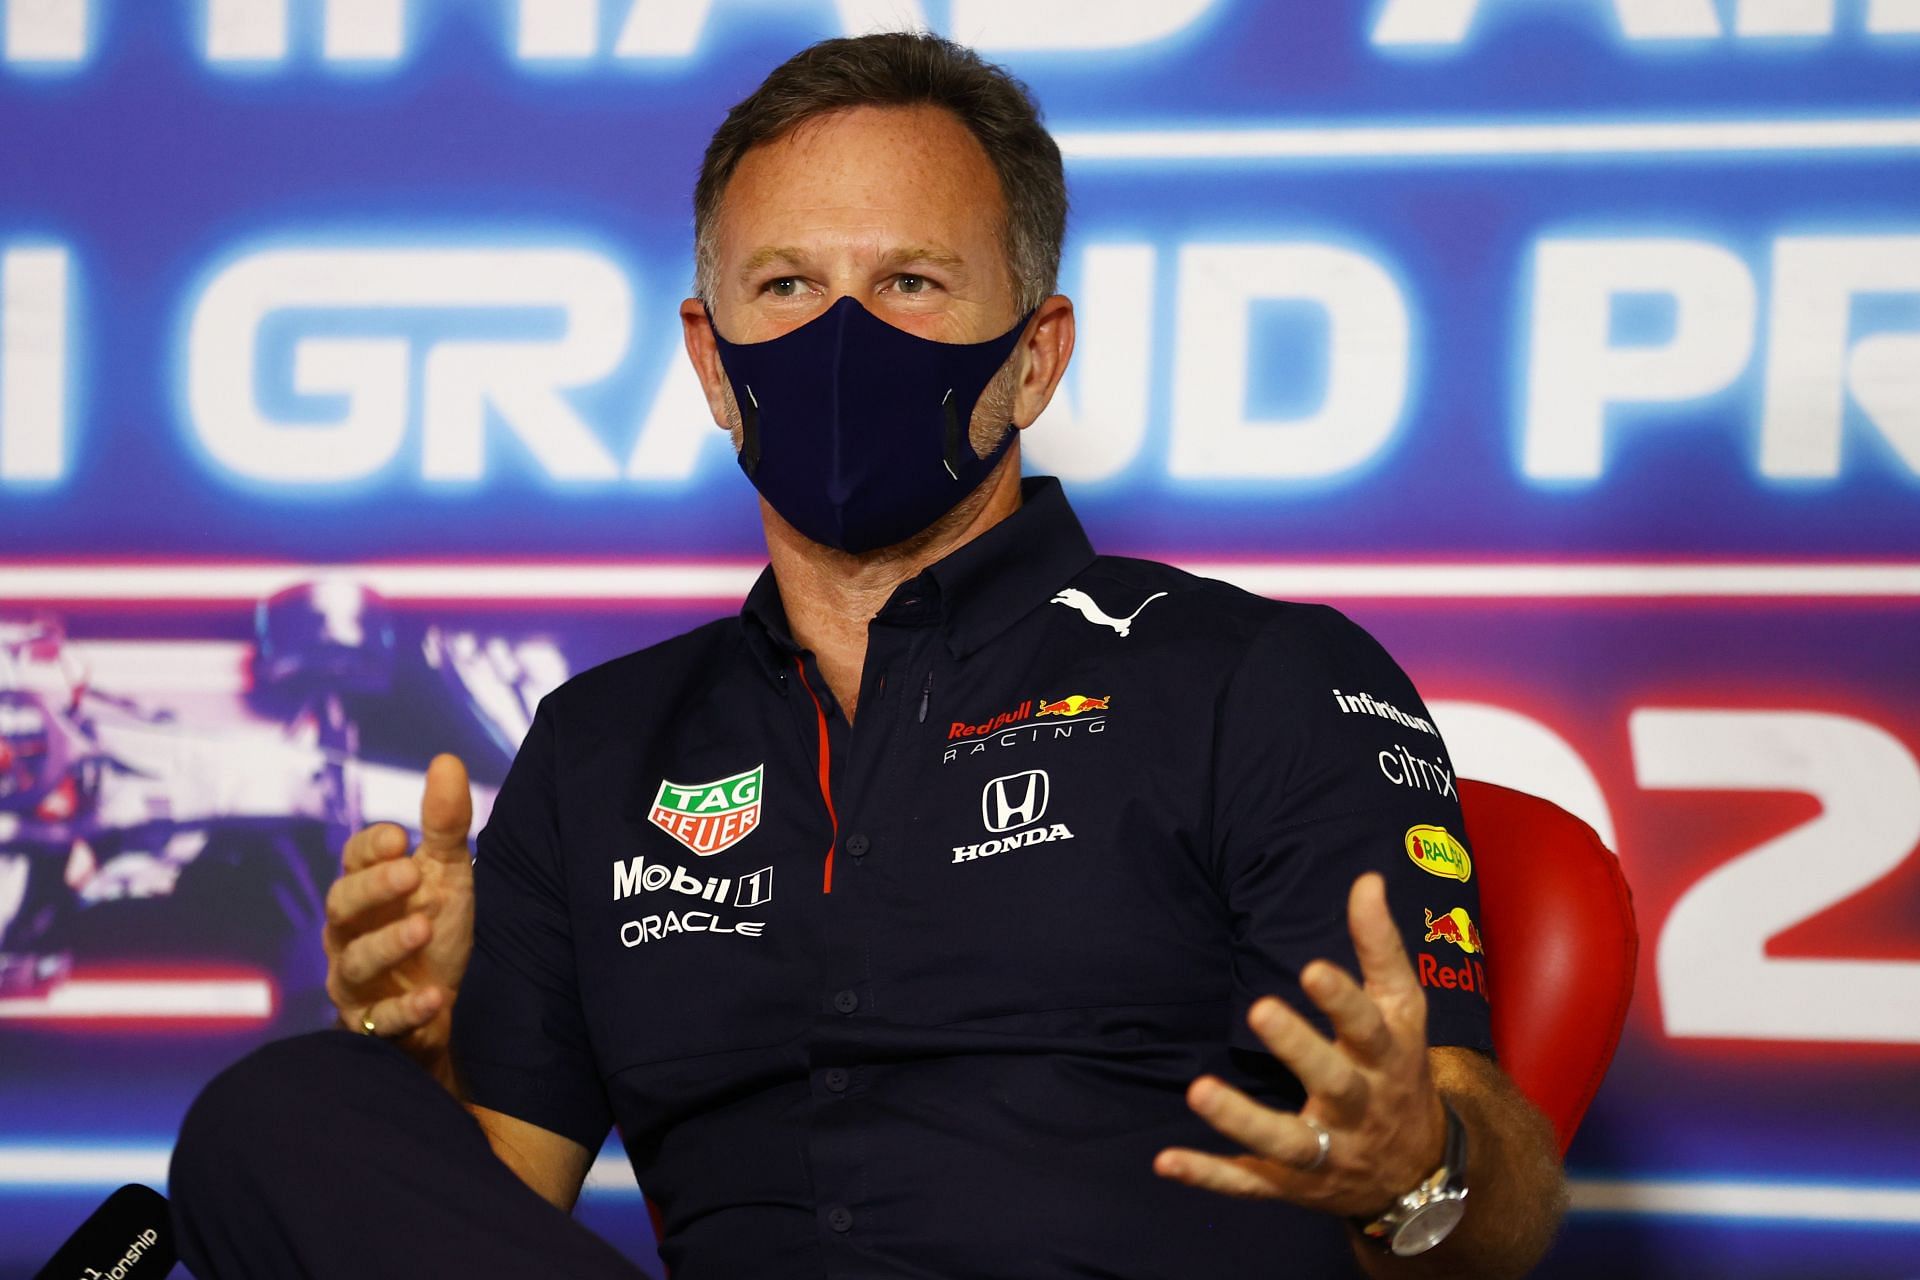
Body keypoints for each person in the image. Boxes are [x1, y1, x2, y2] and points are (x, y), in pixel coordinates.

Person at [168, 32, 1565, 1279]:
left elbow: (1495, 1222)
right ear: (713, 365)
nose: (842, 336)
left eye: (910, 280)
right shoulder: (601, 751)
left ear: (1034, 356)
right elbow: (494, 1214)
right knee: (284, 1116)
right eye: (785, 285)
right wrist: (417, 1055)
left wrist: (1417, 1169)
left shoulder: (1258, 681)